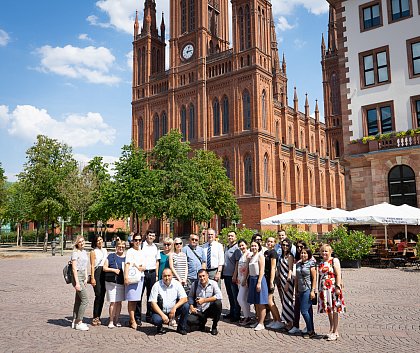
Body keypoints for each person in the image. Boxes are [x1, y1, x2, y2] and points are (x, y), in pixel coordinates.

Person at [149, 268, 190, 335]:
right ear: (162, 276)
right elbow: (153, 303)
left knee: (186, 306)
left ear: (172, 275)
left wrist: (174, 308)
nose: (167, 278)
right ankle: (159, 328)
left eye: (169, 275)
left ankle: (181, 328)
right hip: (160, 312)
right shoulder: (156, 285)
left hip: (173, 311)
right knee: (157, 320)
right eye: (165, 276)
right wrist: (162, 315)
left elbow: (184, 298)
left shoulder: (177, 284)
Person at [318, 244, 345, 341]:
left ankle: (335, 331)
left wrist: (338, 287)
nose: (324, 253)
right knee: (328, 310)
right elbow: (320, 277)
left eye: (326, 251)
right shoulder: (321, 262)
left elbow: (338, 274)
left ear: (330, 252)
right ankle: (331, 329)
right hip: (324, 290)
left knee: (335, 310)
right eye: (322, 251)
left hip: (333, 288)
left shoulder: (334, 260)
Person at [188, 269, 223, 335]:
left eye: (203, 276)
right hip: (199, 310)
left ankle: (214, 326)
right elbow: (190, 297)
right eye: (200, 276)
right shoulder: (195, 284)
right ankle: (202, 322)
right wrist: (191, 307)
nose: (202, 278)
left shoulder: (213, 283)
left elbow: (219, 296)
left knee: (218, 303)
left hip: (209, 309)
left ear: (207, 275)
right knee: (189, 321)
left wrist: (204, 300)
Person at [136, 230, 160, 324]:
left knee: (151, 296)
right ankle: (137, 317)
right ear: (146, 236)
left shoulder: (156, 247)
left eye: (153, 236)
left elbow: (157, 261)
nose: (151, 237)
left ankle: (149, 315)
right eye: (150, 235)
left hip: (152, 273)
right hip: (142, 273)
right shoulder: (141, 245)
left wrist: (157, 274)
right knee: (139, 295)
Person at [103, 240, 126, 328]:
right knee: (113, 302)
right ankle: (111, 320)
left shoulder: (126, 257)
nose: (121, 248)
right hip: (111, 282)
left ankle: (117, 320)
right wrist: (114, 270)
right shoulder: (111, 256)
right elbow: (105, 268)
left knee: (119, 302)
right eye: (119, 246)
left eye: (123, 246)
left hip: (121, 282)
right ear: (116, 247)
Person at [295, 247, 317, 338]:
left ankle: (310, 330)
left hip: (307, 289)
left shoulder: (311, 264)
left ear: (308, 255)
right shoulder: (298, 264)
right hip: (300, 290)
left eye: (305, 253)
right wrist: (296, 289)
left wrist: (313, 291)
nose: (303, 255)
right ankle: (311, 330)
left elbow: (314, 278)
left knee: (304, 311)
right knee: (308, 311)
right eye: (302, 253)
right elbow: (296, 277)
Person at [125, 234, 145, 330]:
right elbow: (127, 264)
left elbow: (144, 265)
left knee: (136, 300)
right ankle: (132, 320)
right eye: (136, 240)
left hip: (140, 277)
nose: (138, 242)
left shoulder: (142, 251)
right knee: (131, 299)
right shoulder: (130, 251)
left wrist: (143, 267)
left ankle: (132, 319)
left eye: (139, 240)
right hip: (132, 278)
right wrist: (126, 278)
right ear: (132, 241)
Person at [289, 240, 309, 335]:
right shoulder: (296, 259)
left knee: (306, 309)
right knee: (296, 306)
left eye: (302, 246)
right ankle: (296, 325)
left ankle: (309, 326)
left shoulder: (310, 259)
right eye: (298, 247)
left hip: (306, 287)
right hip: (297, 284)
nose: (299, 249)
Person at [247, 241, 269, 331]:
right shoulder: (251, 256)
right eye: (252, 246)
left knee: (261, 302)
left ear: (259, 247)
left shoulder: (260, 256)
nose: (253, 247)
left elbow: (261, 270)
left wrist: (259, 282)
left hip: (259, 279)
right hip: (252, 279)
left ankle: (261, 322)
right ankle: (257, 320)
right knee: (255, 302)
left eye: (255, 246)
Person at [71, 235, 89, 331]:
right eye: (80, 241)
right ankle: (79, 321)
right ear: (76, 243)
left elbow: (85, 265)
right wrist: (77, 283)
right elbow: (74, 268)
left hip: (82, 275)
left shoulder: (84, 252)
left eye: (83, 241)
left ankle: (74, 320)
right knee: (85, 300)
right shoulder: (75, 253)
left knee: (78, 300)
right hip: (77, 276)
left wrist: (86, 277)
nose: (82, 243)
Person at [264, 237, 282, 329]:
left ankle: (278, 320)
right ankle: (275, 320)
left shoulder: (273, 253)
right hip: (265, 277)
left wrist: (271, 281)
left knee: (269, 300)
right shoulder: (266, 252)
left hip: (270, 279)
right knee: (270, 301)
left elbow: (273, 268)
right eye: (268, 241)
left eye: (271, 241)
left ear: (274, 243)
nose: (269, 243)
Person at [223, 231, 242, 322]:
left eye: (232, 236)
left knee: (235, 295)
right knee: (230, 295)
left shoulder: (237, 248)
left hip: (233, 276)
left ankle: (236, 314)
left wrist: (235, 275)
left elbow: (238, 262)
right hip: (226, 275)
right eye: (229, 235)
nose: (230, 237)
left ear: (235, 237)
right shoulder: (226, 247)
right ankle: (232, 311)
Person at [89, 235, 108, 326]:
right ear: (95, 242)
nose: (100, 241)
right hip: (97, 272)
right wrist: (92, 278)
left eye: (101, 239)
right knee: (98, 295)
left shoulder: (105, 250)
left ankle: (99, 316)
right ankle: (95, 316)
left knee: (102, 295)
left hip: (104, 272)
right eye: (98, 240)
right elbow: (92, 265)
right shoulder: (93, 252)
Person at [278, 237, 295, 330]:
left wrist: (288, 282)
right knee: (284, 301)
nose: (285, 246)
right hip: (282, 280)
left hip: (287, 280)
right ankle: (286, 320)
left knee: (289, 301)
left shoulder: (290, 256)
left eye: (287, 245)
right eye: (283, 245)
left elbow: (290, 270)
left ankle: (291, 322)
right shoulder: (282, 256)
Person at [235, 239, 251, 326]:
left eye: (243, 245)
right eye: (240, 246)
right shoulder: (242, 255)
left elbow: (248, 268)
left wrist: (245, 279)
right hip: (240, 280)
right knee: (244, 299)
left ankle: (247, 316)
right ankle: (247, 316)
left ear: (246, 245)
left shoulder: (249, 254)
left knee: (240, 298)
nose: (242, 247)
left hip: (245, 280)